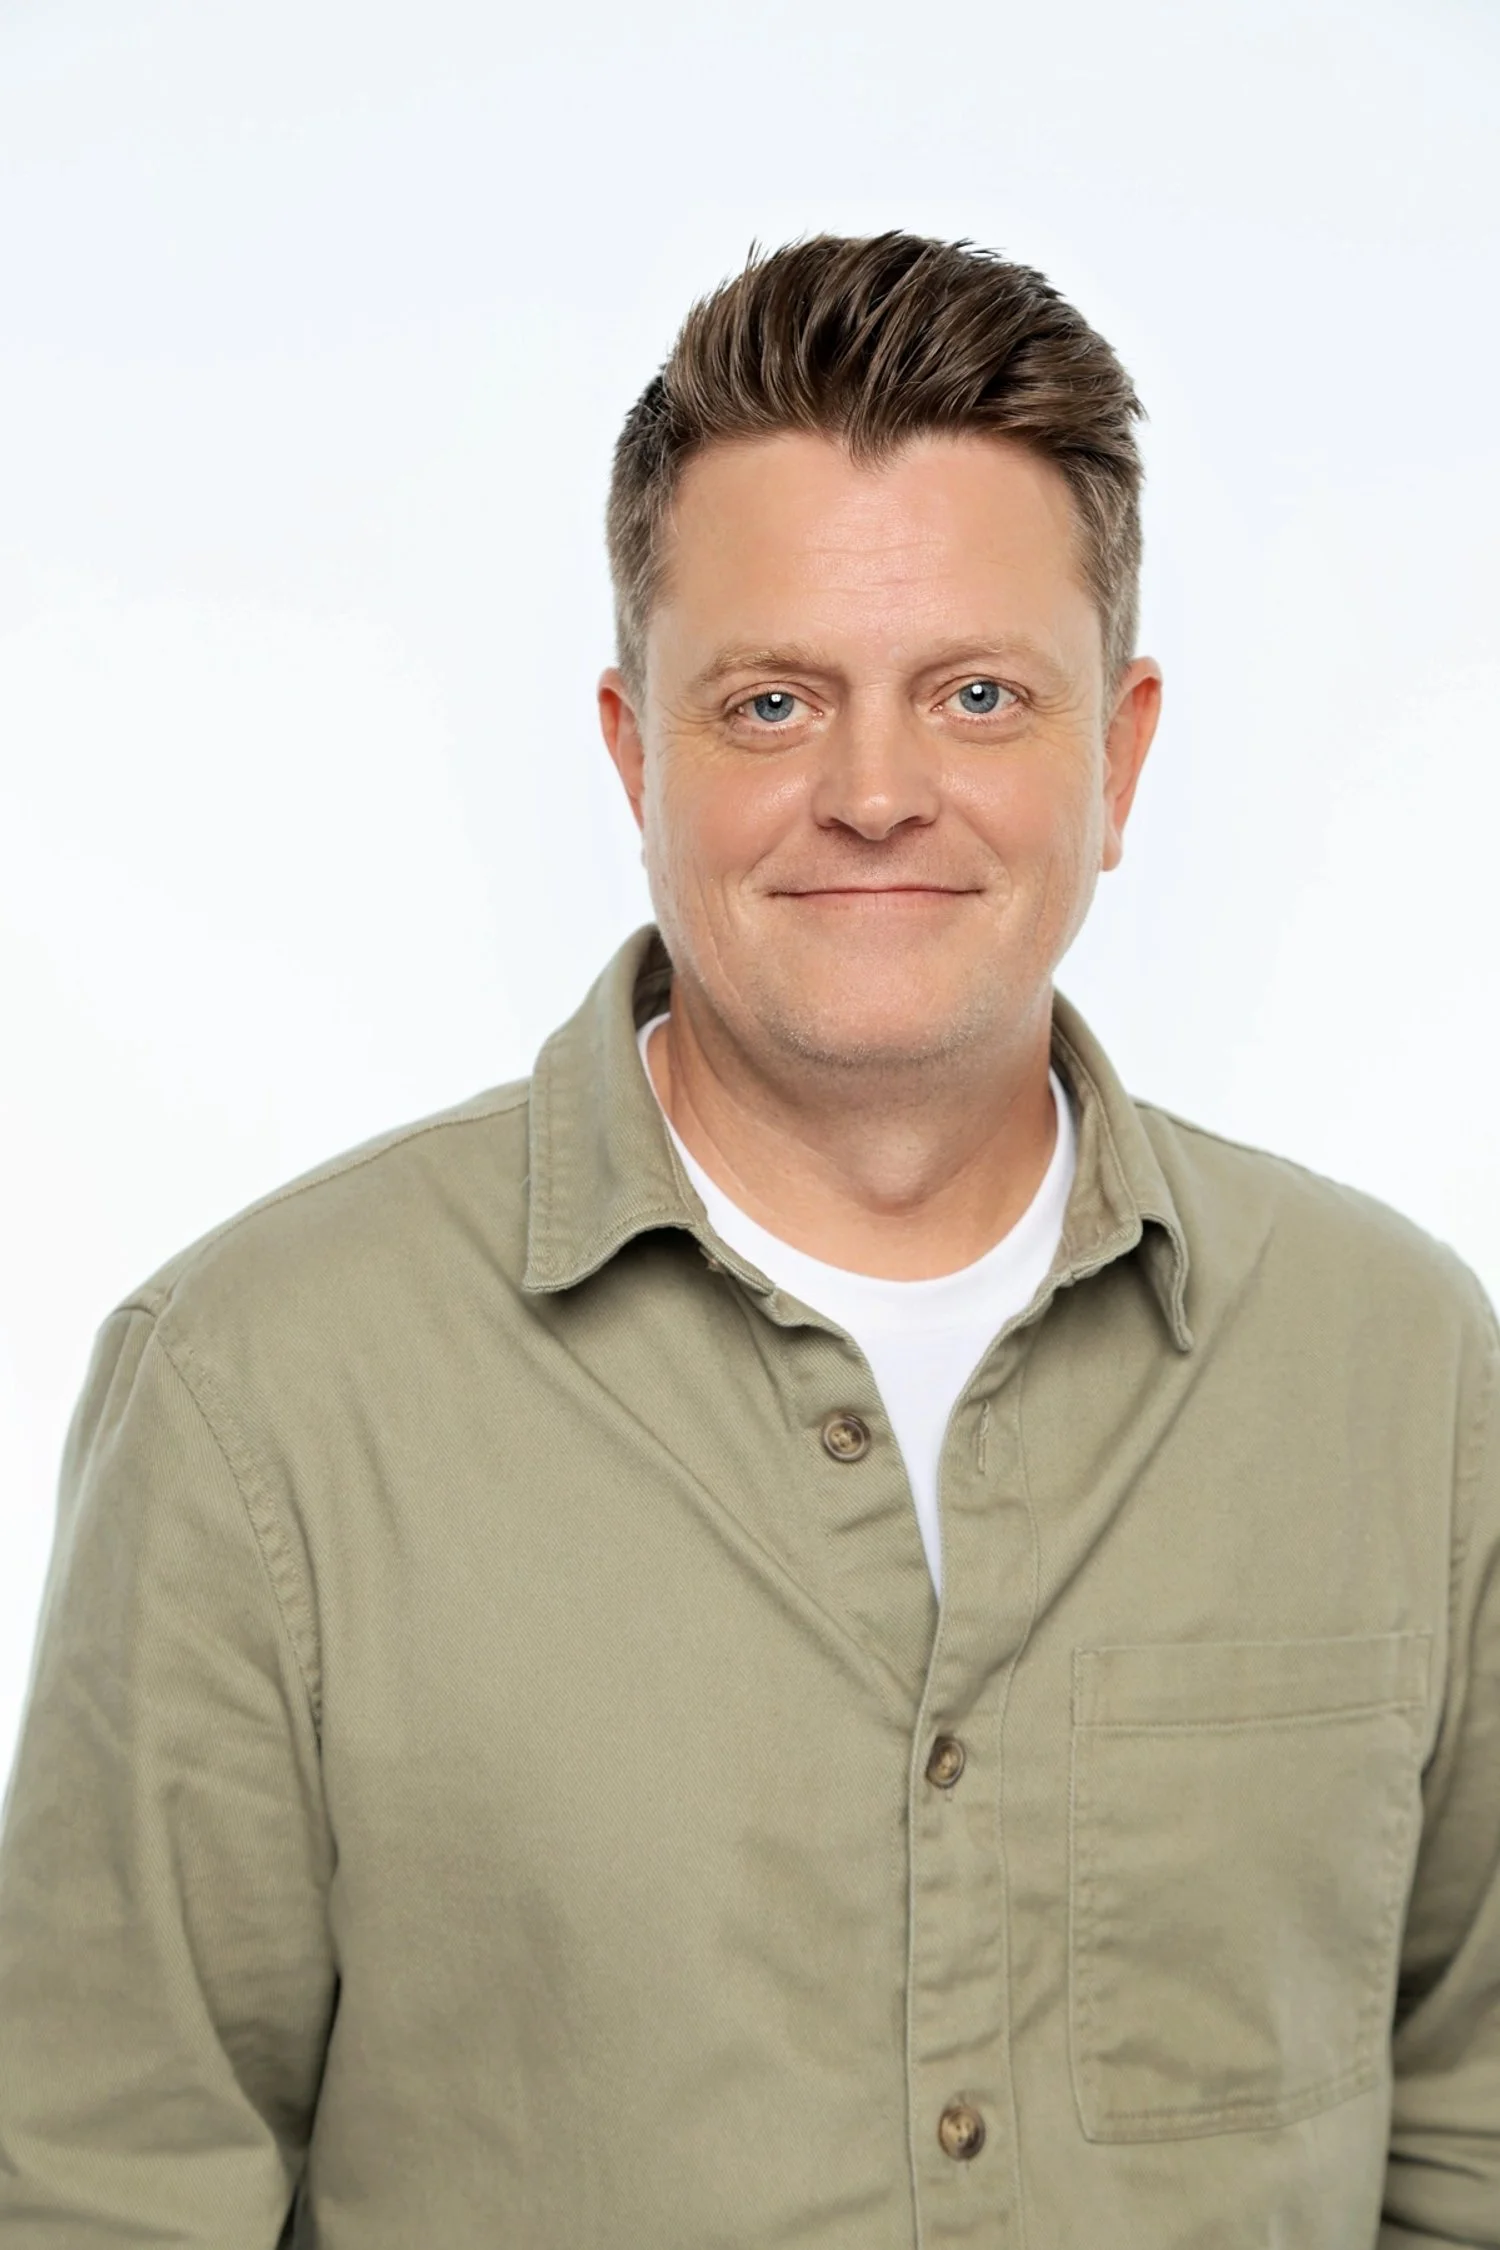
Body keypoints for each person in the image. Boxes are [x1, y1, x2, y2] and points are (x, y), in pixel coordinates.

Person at [0, 230, 1494, 2250]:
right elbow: (102, 2193)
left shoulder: (1401, 1370)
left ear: (1119, 757)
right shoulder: (261, 1392)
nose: (875, 793)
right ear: (634, 757)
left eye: (977, 694)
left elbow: (1468, 2133)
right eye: (775, 702)